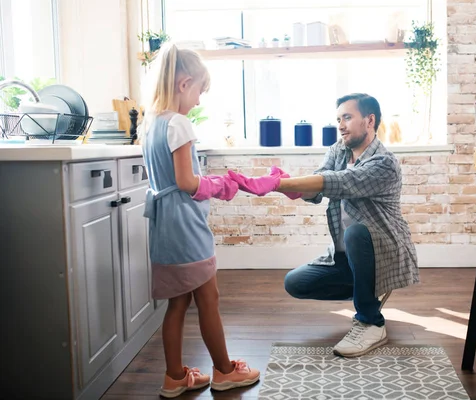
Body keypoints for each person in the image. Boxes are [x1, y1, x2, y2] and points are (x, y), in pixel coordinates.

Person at [228, 93, 419, 358]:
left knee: (356, 232)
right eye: (338, 119)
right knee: (295, 283)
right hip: (347, 256)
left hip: (384, 250)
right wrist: (286, 186)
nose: (341, 125)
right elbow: (317, 189)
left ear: (369, 120)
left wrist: (278, 184)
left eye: (348, 117)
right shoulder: (338, 150)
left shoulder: (384, 163)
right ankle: (368, 292)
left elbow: (339, 182)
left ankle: (370, 322)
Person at [141, 42, 260, 398]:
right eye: (198, 92)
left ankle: (175, 377)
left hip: (163, 224)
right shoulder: (179, 123)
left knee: (178, 301)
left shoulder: (152, 124)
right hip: (185, 225)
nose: (198, 101)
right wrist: (218, 184)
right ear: (183, 83)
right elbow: (186, 182)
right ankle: (224, 371)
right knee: (209, 297)